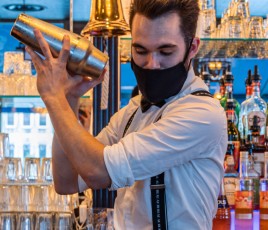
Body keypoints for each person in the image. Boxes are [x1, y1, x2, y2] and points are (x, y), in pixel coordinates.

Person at [26, 0, 227, 229]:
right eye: (140, 50)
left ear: (192, 48)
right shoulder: (131, 112)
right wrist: (69, 98)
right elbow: (66, 180)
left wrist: (54, 99)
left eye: (166, 51)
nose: (151, 64)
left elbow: (97, 171)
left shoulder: (202, 114)